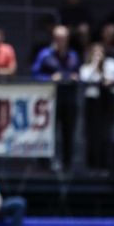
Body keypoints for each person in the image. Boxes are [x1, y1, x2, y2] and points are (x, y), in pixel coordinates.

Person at [32, 25, 80, 171]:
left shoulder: (73, 55)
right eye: (59, 38)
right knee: (48, 131)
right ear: (53, 38)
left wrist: (76, 77)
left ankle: (67, 164)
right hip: (50, 100)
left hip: (69, 99)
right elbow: (35, 74)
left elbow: (79, 73)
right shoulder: (45, 54)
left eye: (64, 38)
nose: (61, 41)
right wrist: (50, 78)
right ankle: (44, 164)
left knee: (68, 131)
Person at [79, 42, 114, 170]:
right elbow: (85, 78)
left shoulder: (111, 64)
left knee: (106, 132)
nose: (98, 55)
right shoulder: (87, 67)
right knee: (92, 133)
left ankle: (105, 164)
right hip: (92, 102)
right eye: (95, 53)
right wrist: (95, 65)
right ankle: (91, 165)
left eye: (100, 52)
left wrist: (113, 80)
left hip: (108, 101)